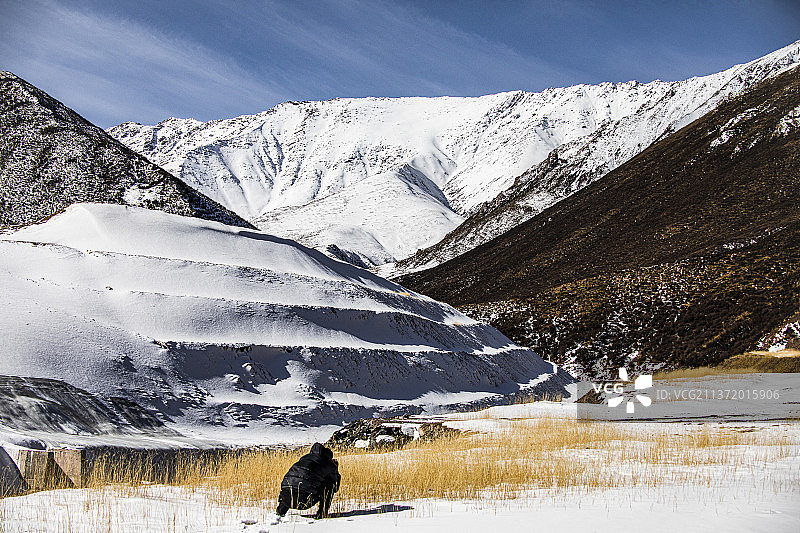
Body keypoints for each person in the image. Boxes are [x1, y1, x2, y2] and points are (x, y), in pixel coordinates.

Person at [274, 442, 340, 521]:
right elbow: (335, 487)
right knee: (329, 486)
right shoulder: (327, 463)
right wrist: (335, 468)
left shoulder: (304, 458)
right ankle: (322, 513)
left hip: (285, 500)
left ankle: (281, 511)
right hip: (304, 502)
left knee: (292, 485)